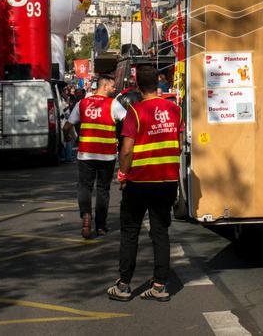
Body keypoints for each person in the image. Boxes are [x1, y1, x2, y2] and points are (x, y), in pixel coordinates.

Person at [107, 65, 182, 302]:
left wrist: (123, 174)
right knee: (160, 232)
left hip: (140, 181)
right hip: (168, 180)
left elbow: (126, 150)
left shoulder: (135, 112)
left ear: (138, 86)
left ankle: (124, 285)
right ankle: (160, 285)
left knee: (130, 231)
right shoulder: (175, 109)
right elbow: (177, 142)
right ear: (159, 83)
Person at [70, 74, 127, 239]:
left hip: (85, 154)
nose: (114, 89)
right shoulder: (113, 104)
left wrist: (72, 137)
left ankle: (86, 216)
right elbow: (128, 120)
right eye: (112, 86)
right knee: (103, 189)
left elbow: (68, 125)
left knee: (84, 187)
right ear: (104, 86)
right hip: (106, 156)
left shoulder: (82, 103)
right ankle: (101, 225)